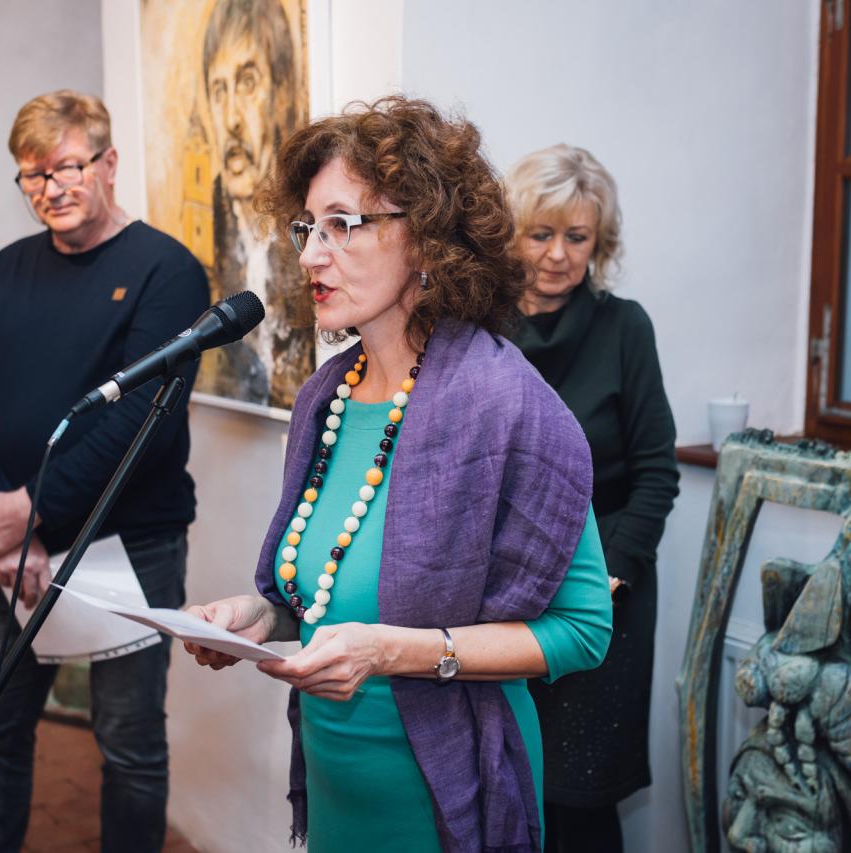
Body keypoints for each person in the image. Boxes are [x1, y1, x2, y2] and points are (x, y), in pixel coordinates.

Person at [183, 96, 614, 852]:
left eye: (343, 224)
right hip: (337, 790)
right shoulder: (325, 398)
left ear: (428, 238)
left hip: (444, 803)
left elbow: (583, 630)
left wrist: (395, 653)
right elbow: (330, 598)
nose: (312, 255)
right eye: (308, 228)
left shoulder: (507, 404)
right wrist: (261, 619)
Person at [0, 90, 209, 853]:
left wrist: (28, 514)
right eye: (33, 174)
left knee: (128, 743)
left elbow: (142, 427)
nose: (51, 187)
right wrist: (8, 528)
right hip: (15, 549)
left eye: (67, 166)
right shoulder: (4, 272)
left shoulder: (167, 271)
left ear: (109, 162)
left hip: (131, 542)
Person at [506, 144, 679, 852]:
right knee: (503, 779)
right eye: (541, 233)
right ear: (511, 235)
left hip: (602, 591)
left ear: (599, 244)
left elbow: (657, 471)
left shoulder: (625, 327)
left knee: (578, 796)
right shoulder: (478, 330)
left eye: (577, 237)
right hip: (504, 590)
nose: (558, 255)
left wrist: (606, 574)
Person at [199, 0, 313, 408]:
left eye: (247, 83)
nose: (231, 118)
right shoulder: (216, 244)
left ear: (281, 95)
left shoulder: (310, 240)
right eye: (219, 91)